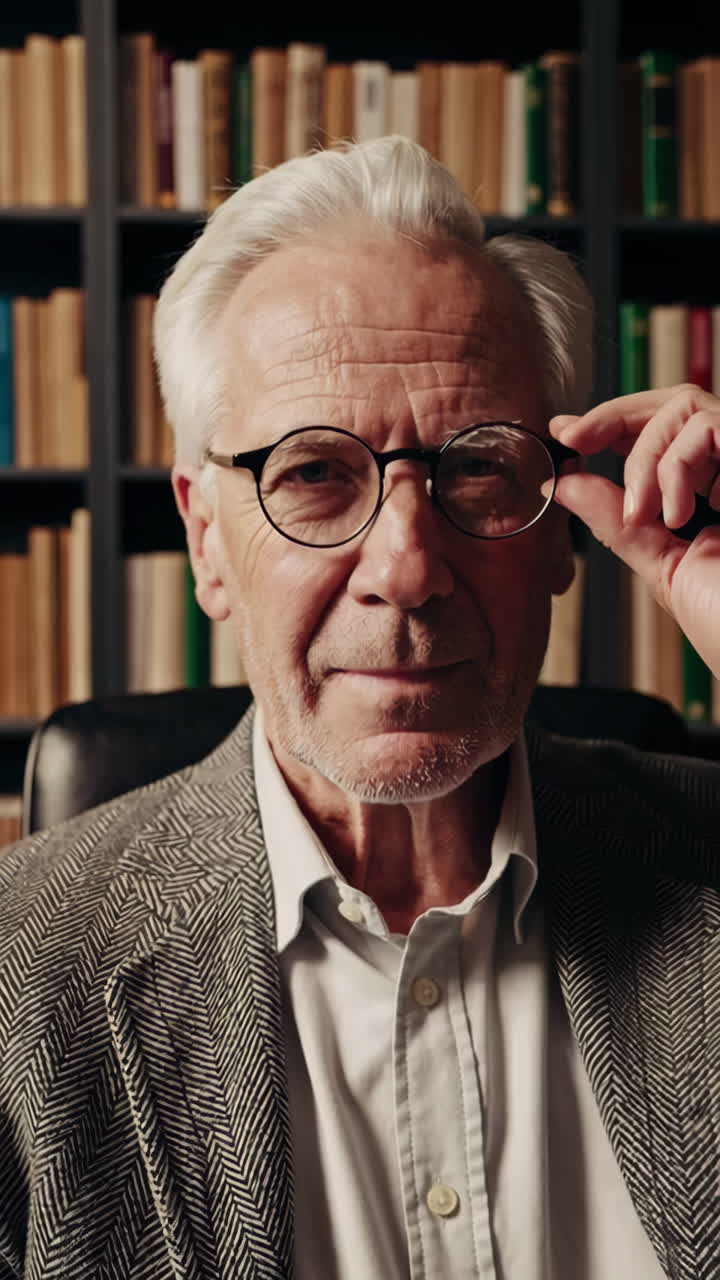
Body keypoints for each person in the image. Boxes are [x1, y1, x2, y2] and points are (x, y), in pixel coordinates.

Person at [0, 137, 718, 1280]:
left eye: (477, 465)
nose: (408, 566)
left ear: (564, 527)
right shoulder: (17, 974)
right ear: (205, 538)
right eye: (314, 473)